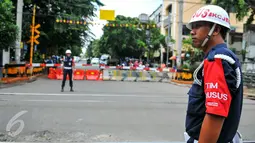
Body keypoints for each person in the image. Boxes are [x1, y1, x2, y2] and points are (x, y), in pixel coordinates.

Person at [184, 5, 243, 143]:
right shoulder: (221, 57)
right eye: (192, 27)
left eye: (198, 26)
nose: (192, 32)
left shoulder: (217, 59)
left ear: (215, 30)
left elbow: (215, 114)